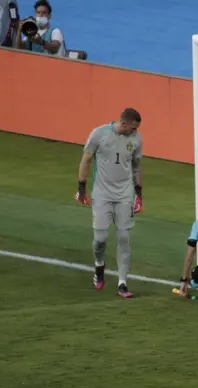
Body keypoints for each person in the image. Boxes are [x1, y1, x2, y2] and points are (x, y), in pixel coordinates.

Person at [75, 108, 144, 298]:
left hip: (125, 195)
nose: (135, 131)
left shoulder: (136, 139)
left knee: (123, 238)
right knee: (100, 240)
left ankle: (122, 283)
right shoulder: (99, 134)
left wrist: (139, 195)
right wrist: (81, 189)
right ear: (124, 123)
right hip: (102, 195)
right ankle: (99, 265)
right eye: (133, 128)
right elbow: (86, 160)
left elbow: (136, 168)